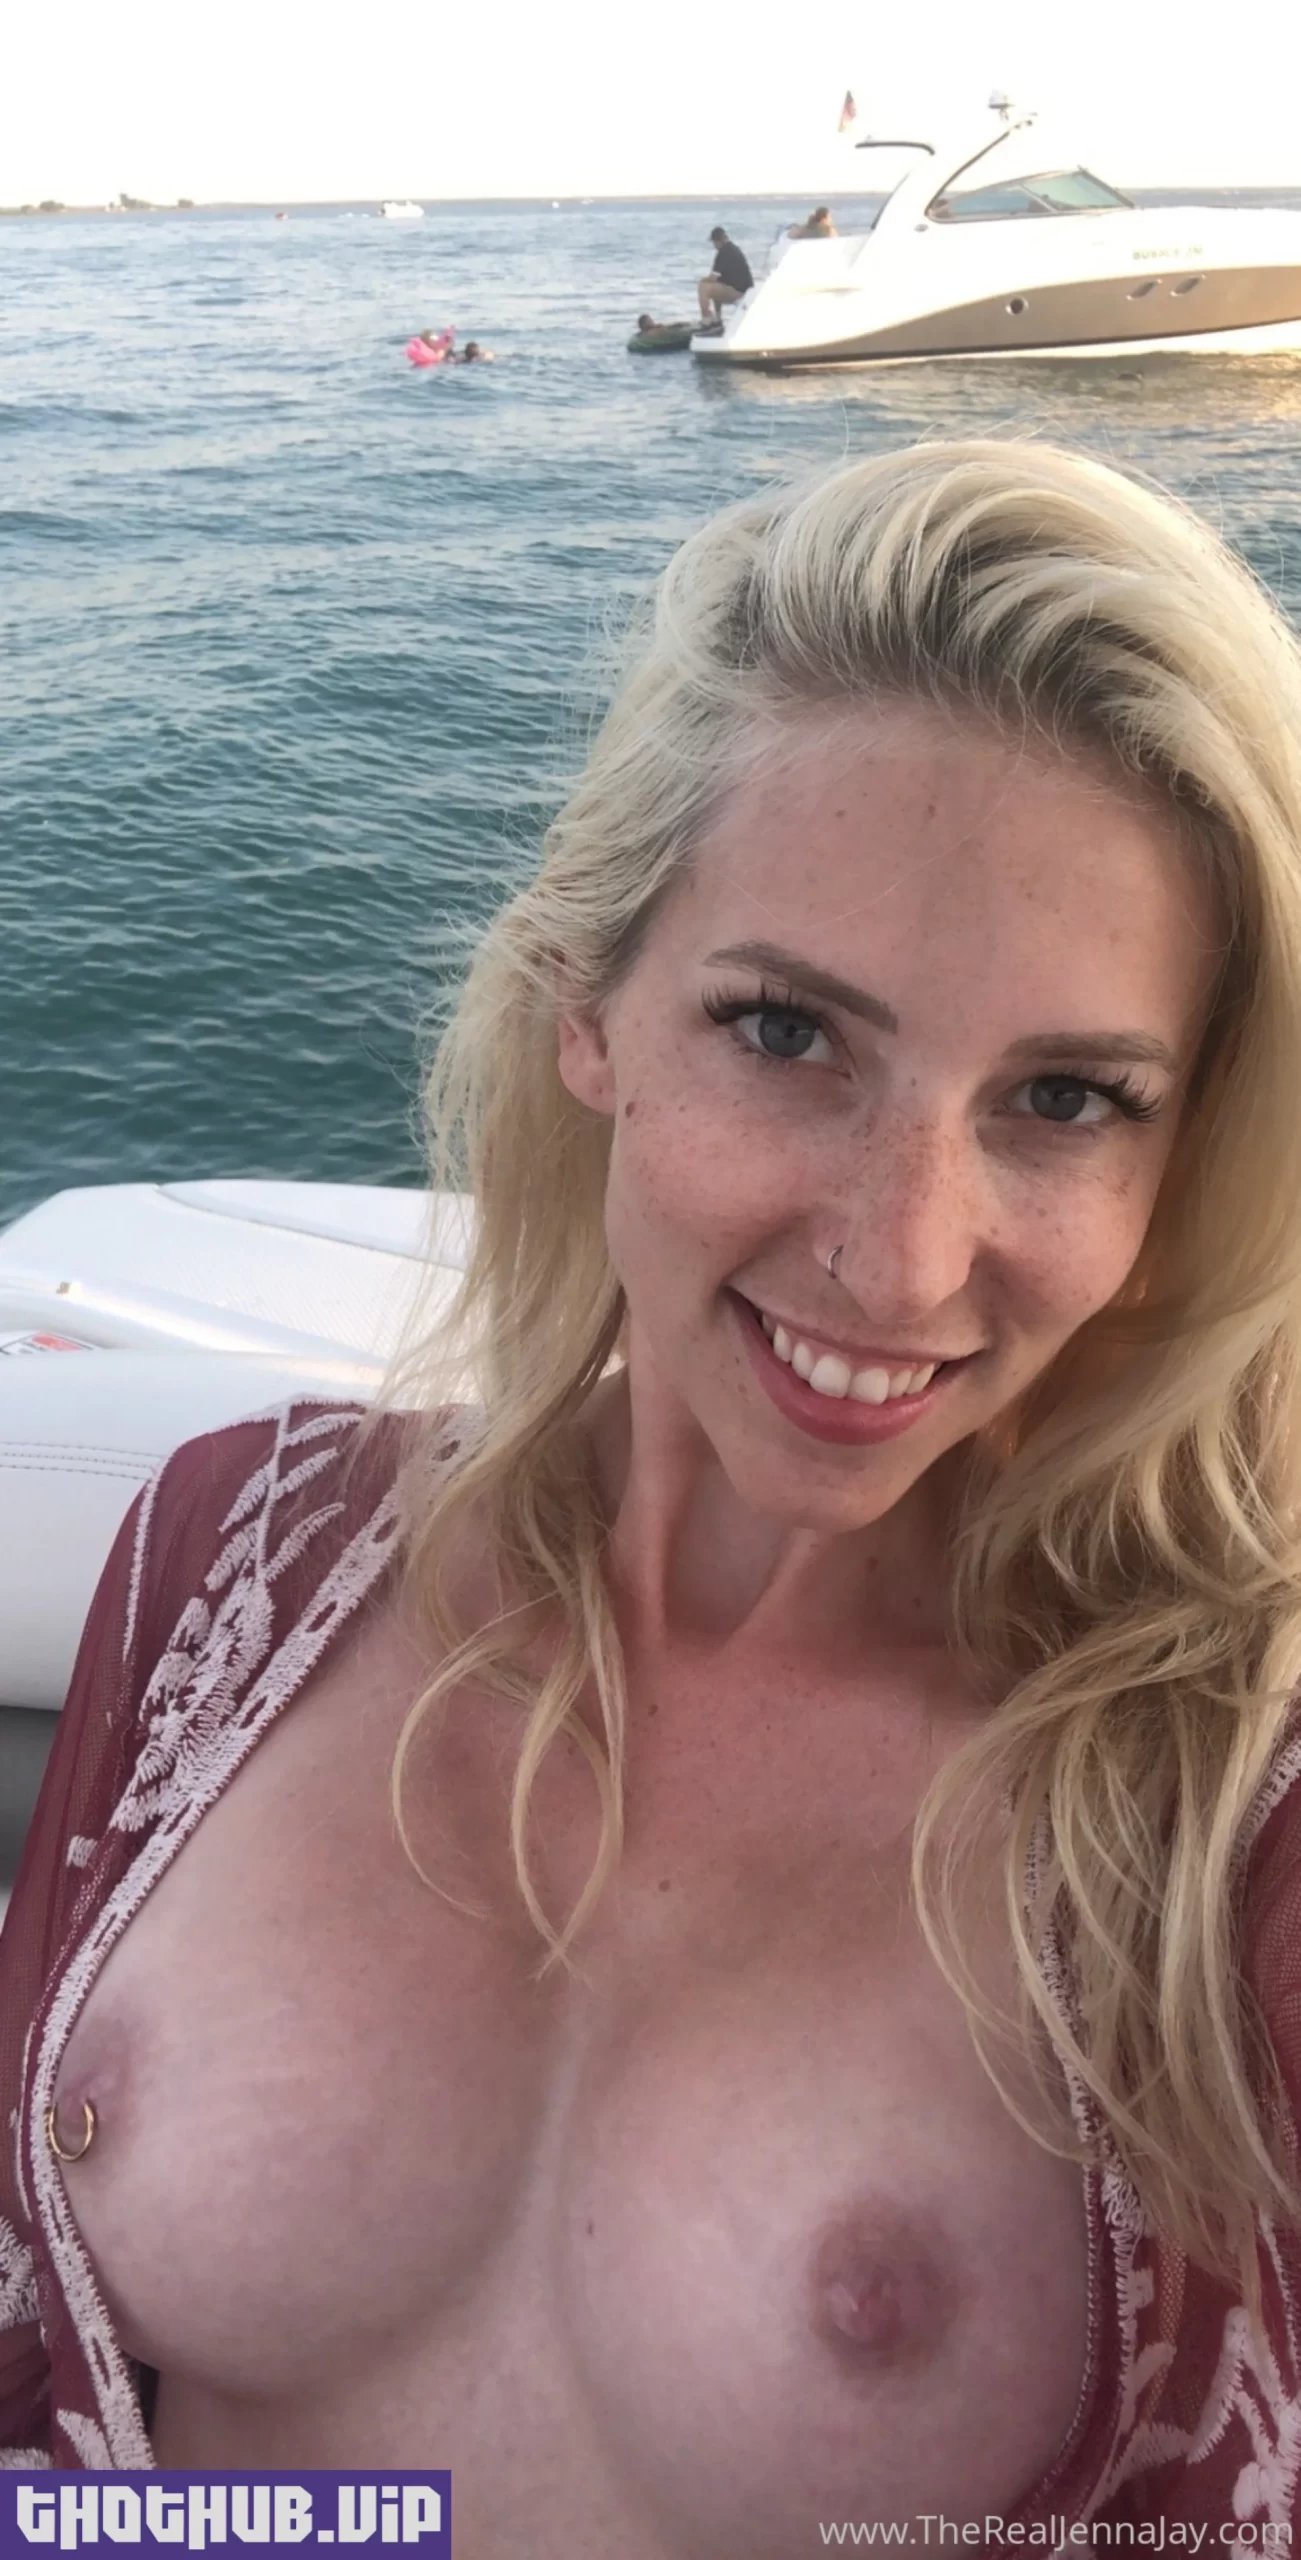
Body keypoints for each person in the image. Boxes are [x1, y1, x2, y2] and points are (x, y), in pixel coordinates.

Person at [5, 443, 1301, 2547]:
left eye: (1062, 1097)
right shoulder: (229, 1556)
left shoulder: (1231, 1826)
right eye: (786, 1032)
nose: (899, 1257)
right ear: (585, 1014)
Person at [696, 223, 753, 331]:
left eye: (714, 242)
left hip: (738, 292)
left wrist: (702, 280)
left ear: (718, 241)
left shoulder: (723, 253)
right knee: (716, 287)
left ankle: (706, 320)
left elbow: (712, 278)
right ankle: (717, 320)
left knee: (704, 287)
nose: (714, 245)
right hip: (746, 291)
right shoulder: (733, 249)